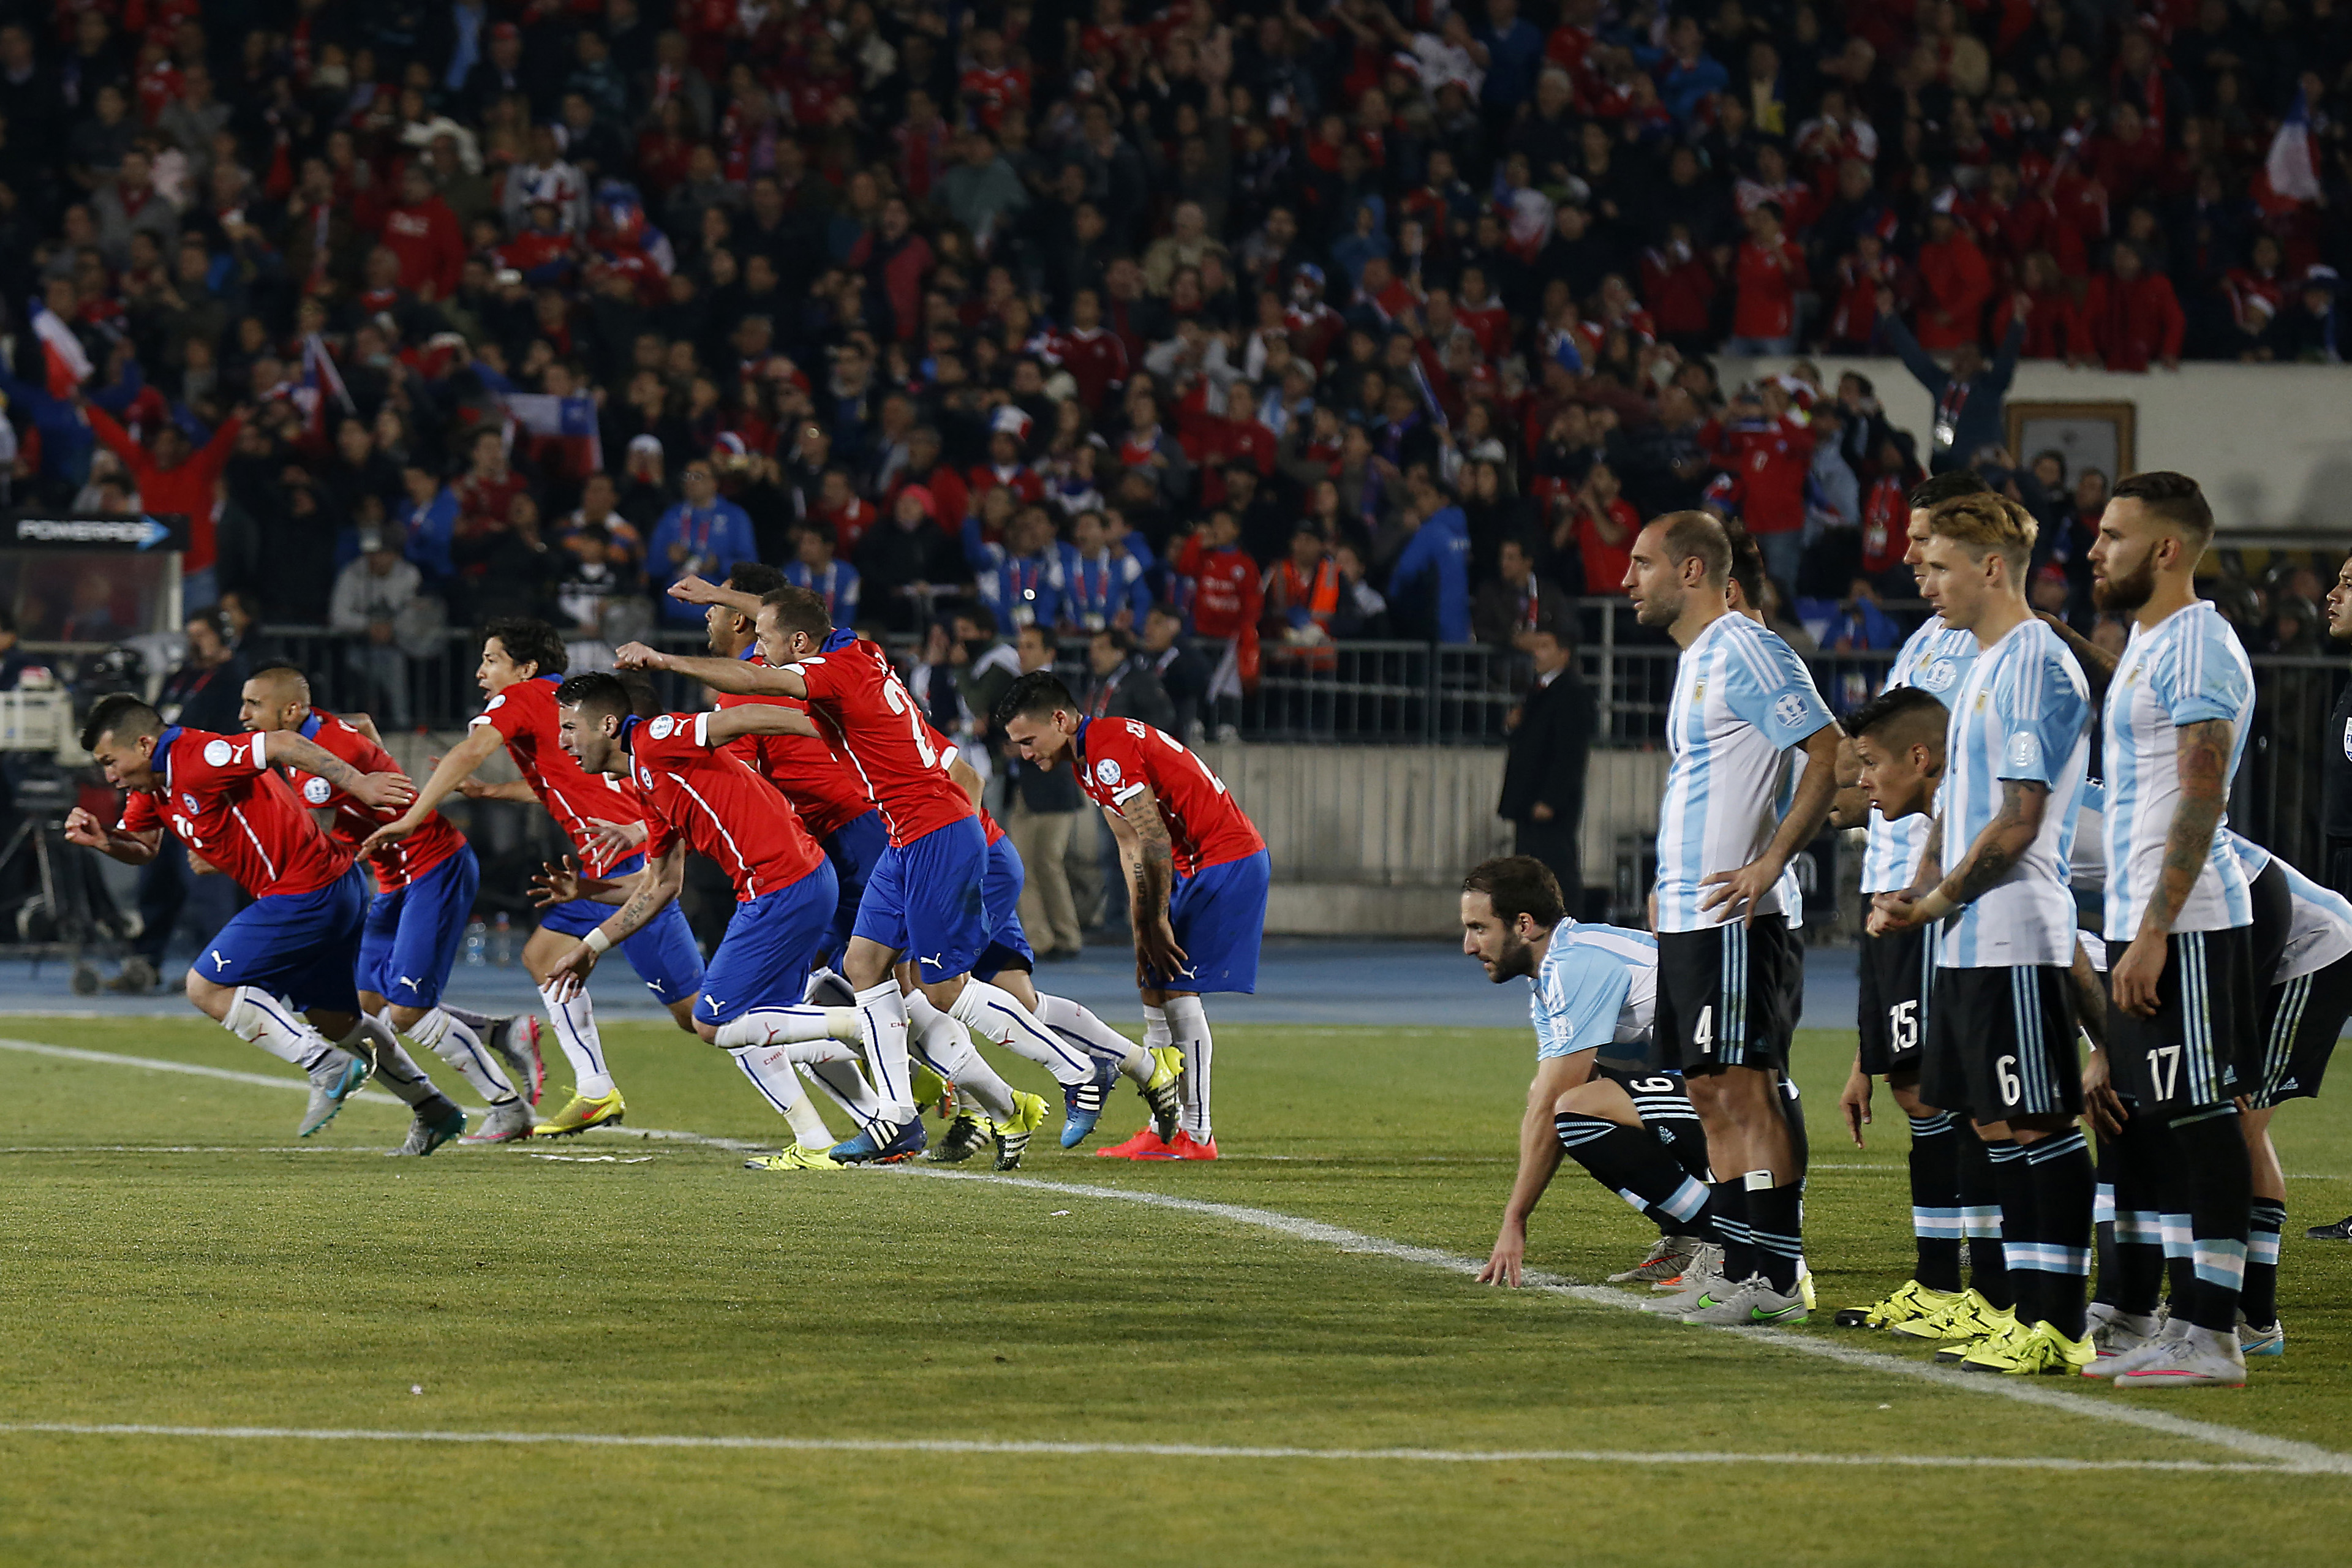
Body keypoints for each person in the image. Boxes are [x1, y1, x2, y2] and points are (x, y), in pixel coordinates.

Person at [617, 584, 1124, 1162]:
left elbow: (762, 679)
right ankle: (897, 1119)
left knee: (942, 988)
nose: (758, 649)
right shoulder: (855, 647)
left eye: (764, 640)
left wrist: (663, 659)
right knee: (863, 967)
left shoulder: (832, 672)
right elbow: (786, 623)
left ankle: (1082, 1067)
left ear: (799, 643)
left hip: (934, 829)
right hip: (902, 834)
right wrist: (715, 594)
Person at [1871, 491, 2097, 1377]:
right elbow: (1959, 812)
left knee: (2039, 1124)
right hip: (1967, 936)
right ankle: (2018, 1314)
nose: (1924, 579)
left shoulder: (2038, 663)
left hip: (2014, 930)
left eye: (1939, 565)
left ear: (1992, 568)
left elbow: (2019, 820)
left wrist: (1938, 902)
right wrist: (1919, 889)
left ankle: (2059, 1323)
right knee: (1999, 1125)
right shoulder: (1983, 664)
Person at [63, 694, 469, 1154]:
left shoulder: (198, 757)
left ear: (142, 743)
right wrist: (103, 842)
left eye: (109, 761)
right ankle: (433, 1109)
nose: (108, 775)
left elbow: (279, 743)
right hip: (333, 886)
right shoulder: (151, 786)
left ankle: (324, 1066)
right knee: (336, 1020)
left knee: (205, 987)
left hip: (305, 891)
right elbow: (143, 846)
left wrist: (360, 785)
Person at [537, 673, 908, 1166]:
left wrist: (831, 730)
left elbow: (741, 717)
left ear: (607, 725)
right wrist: (590, 938)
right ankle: (824, 1140)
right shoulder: (646, 784)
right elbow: (662, 884)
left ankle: (869, 1023)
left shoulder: (655, 739)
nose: (562, 742)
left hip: (778, 885)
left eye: (568, 728)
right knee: (762, 1026)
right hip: (798, 879)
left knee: (713, 1022)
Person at [362, 619, 706, 1137]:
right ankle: (594, 1091)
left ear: (524, 669)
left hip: (632, 868)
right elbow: (558, 783)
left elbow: (469, 750)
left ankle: (824, 1024)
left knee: (703, 1017)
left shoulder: (522, 697)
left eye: (491, 660)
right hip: (603, 865)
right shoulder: (557, 707)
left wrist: (412, 816)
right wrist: (492, 793)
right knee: (543, 956)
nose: (481, 672)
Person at [1622, 510, 1839, 1327]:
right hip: (1690, 914)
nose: (1626, 581)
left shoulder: (1746, 646)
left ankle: (1773, 1279)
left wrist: (1771, 860)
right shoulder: (1700, 661)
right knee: (1708, 1093)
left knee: (1746, 1092)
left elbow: (1826, 748)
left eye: (1641, 564)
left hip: (1739, 920)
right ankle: (1741, 1266)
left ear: (1691, 570)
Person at [2079, 471, 2260, 1387]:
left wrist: (2154, 930)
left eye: (2111, 535)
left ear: (2167, 549)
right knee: (2139, 1124)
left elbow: (2201, 793)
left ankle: (2212, 1334)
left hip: (2184, 922)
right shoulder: (2152, 645)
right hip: (2143, 920)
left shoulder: (2199, 645)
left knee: (2195, 1118)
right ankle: (2145, 1315)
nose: (2092, 549)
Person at [237, 662, 540, 1144]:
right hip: (395, 881)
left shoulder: (320, 764)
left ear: (291, 710)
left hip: (434, 868)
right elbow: (357, 722)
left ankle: (508, 1109)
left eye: (254, 704)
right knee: (362, 1009)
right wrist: (378, 757)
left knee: (407, 1013)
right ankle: (496, 1041)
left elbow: (316, 844)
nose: (244, 715)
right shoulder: (316, 735)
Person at [1829, 469, 1994, 1334]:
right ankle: (1940, 1285)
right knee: (1909, 1087)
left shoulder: (1988, 647)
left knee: (1948, 1091)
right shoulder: (1929, 639)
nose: (1910, 557)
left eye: (1925, 541)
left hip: (1931, 896)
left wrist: (1924, 890)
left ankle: (1976, 1291)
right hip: (1888, 888)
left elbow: (1959, 780)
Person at [997, 670, 1271, 1160]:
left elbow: (1154, 839)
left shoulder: (1106, 753)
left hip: (1222, 860)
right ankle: (1165, 1125)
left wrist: (1158, 917)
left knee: (1177, 984)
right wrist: (1142, 925)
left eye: (1028, 740)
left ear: (1060, 720)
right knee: (1152, 976)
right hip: (1195, 862)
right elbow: (1130, 845)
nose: (1025, 753)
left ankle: (1197, 1133)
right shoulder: (1090, 754)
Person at [1462, 854, 1726, 1290]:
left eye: (1479, 928)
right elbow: (1546, 1096)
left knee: (1576, 1109)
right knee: (1571, 1098)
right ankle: (1689, 1235)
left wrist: (1515, 1220)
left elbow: (1554, 1107)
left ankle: (1725, 1232)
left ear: (1524, 925)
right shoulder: (1552, 972)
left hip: (1744, 1099)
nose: (1469, 946)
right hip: (1708, 1087)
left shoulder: (1575, 965)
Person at [1005, 624, 1086, 960]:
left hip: (1056, 789)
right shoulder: (1019, 689)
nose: (1022, 652)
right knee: (1023, 865)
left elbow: (1069, 734)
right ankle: (1041, 938)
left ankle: (1066, 936)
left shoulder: (1063, 689)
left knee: (1048, 862)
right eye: (1020, 645)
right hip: (1024, 788)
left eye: (1030, 646)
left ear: (1049, 653)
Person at [1879, 288, 2024, 474]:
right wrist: (1890, 317)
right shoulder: (1941, 383)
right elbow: (1913, 355)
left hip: (1985, 473)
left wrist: (2018, 321)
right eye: (1958, 356)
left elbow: (2007, 359)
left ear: (1980, 363)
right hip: (1946, 468)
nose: (1961, 362)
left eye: (1968, 357)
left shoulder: (1990, 386)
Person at [1498, 626, 1590, 903]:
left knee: (1558, 870)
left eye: (1544, 647)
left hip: (1547, 802)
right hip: (1529, 798)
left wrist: (1551, 798)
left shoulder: (1572, 692)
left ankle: (1572, 927)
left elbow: (1570, 753)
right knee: (1529, 872)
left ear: (1564, 653)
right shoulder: (1539, 689)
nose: (1536, 654)